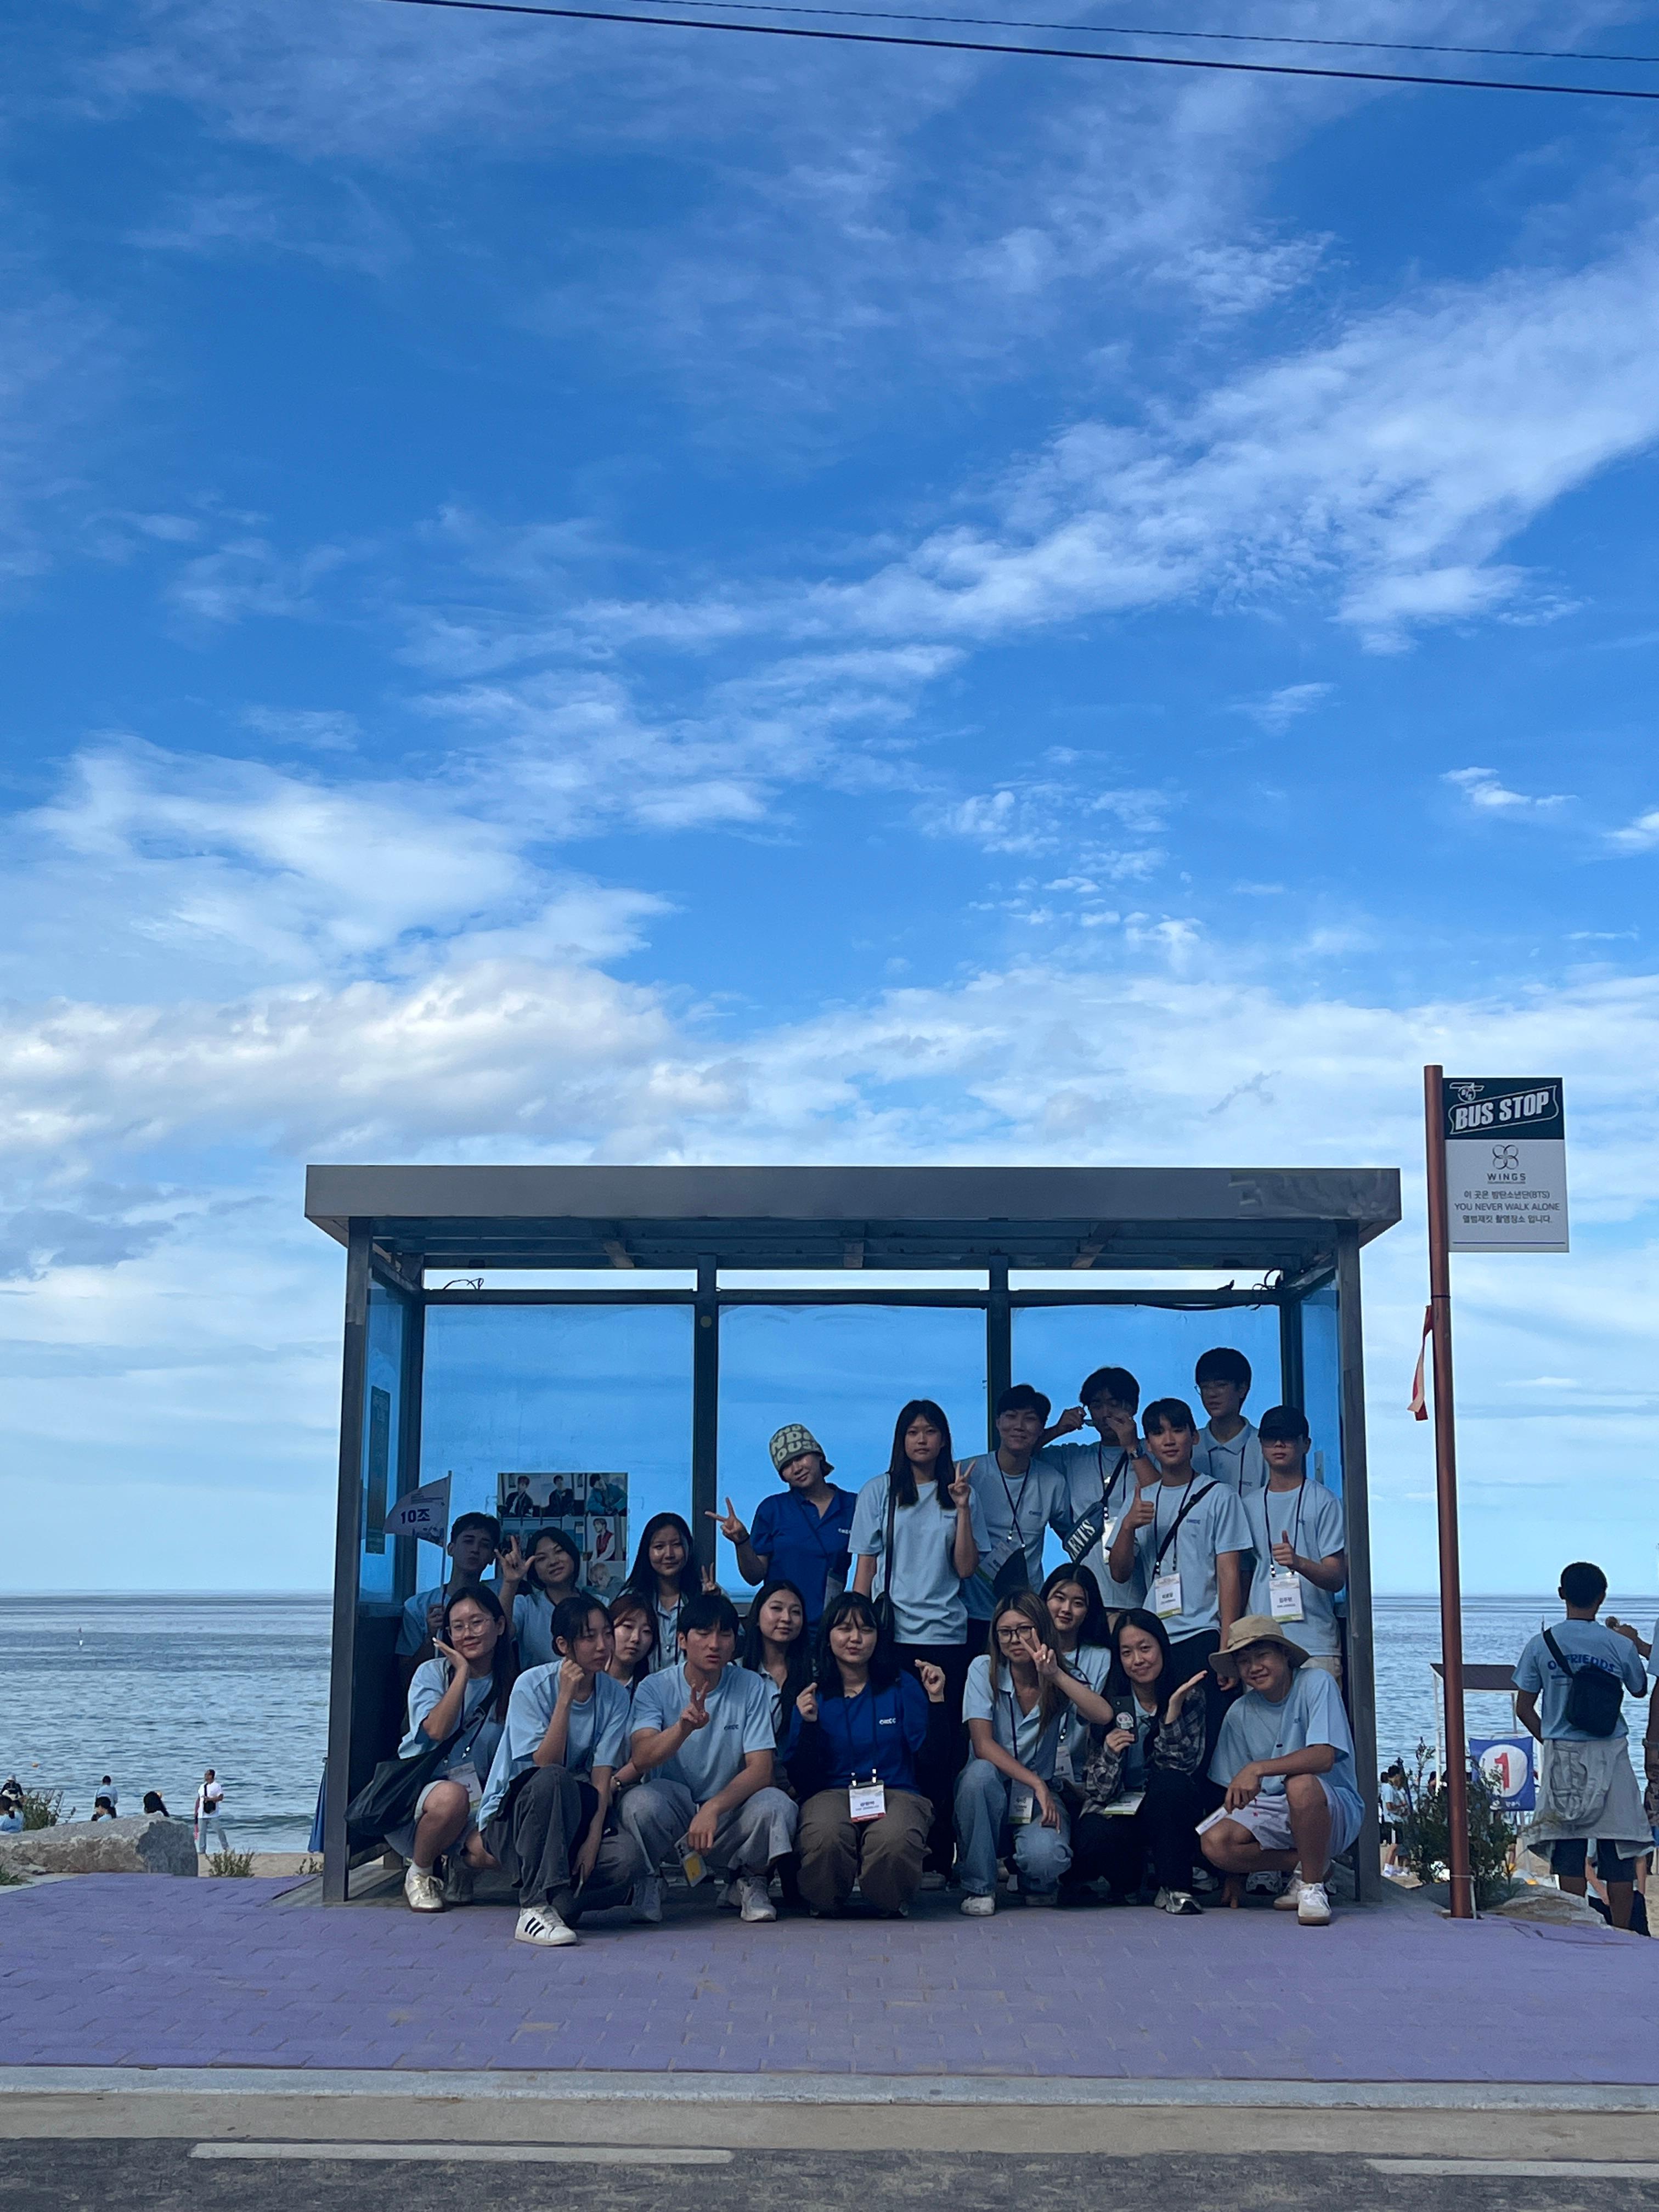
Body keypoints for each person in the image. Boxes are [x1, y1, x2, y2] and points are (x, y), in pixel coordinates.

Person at [850, 1400, 986, 1871]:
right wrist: (853, 1630)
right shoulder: (880, 1491)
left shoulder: (961, 1492)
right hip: (892, 1636)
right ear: (901, 1439)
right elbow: (865, 1566)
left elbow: (966, 1568)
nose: (922, 1439)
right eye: (913, 1432)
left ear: (944, 1439)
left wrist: (963, 1508)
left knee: (943, 1748)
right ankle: (888, 1848)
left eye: (930, 1431)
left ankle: (940, 1852)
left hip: (947, 1636)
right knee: (889, 1742)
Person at [621, 1589, 799, 1924]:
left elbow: (761, 1770)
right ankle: (649, 1879)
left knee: (778, 1805)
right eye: (703, 1634)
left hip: (729, 1809)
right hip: (675, 1810)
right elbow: (642, 1758)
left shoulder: (750, 1685)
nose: (714, 1644)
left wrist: (713, 1808)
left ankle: (750, 1881)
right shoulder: (654, 1687)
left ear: (735, 1642)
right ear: (682, 1640)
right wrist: (683, 1729)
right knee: (637, 1803)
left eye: (724, 1634)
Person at [476, 1594, 642, 1946]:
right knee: (554, 1778)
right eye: (589, 1637)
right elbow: (545, 1763)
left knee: (625, 1860)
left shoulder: (614, 1695)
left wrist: (593, 1840)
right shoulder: (531, 1686)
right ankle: (534, 1907)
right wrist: (565, 1698)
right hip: (513, 1817)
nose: (603, 1646)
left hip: (574, 1816)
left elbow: (602, 1776)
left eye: (607, 1633)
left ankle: (560, 1903)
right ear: (563, 1646)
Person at [789, 1592, 951, 1917]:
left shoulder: (902, 1685)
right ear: (828, 1635)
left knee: (894, 1838)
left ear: (878, 1637)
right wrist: (808, 1726)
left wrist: (937, 1700)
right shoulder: (813, 1693)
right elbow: (801, 1777)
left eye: (866, 1629)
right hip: (833, 1791)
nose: (855, 1638)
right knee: (826, 1833)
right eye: (844, 1629)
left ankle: (889, 1901)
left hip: (897, 1790)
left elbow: (933, 1758)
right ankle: (825, 1902)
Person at [955, 1589, 1114, 1915]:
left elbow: (1103, 1715)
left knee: (1048, 1861)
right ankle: (980, 1887)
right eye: (1005, 1632)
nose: (1015, 1639)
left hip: (1036, 1800)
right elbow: (983, 1745)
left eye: (1024, 1629)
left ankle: (1031, 1877)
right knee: (978, 1776)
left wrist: (1054, 1675)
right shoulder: (983, 1668)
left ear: (1042, 1629)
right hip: (993, 1791)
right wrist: (1037, 1782)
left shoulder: (1061, 1673)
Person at [1199, 1615, 1364, 1926]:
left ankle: (1312, 1888)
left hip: (1331, 1805)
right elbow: (1235, 1795)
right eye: (1244, 1661)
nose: (1254, 1667)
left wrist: (1259, 1768)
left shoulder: (1317, 1683)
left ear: (1285, 1654)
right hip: (1274, 1808)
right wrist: (1234, 1874)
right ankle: (1312, 1864)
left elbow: (1324, 1757)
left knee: (1300, 1784)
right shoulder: (1239, 1712)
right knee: (1214, 1842)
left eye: (1262, 1655)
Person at [1515, 1560, 1649, 1931]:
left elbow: (1524, 1708)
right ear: (1602, 1597)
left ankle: (1577, 1927)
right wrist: (1629, 1641)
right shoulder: (1617, 1644)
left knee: (1568, 1849)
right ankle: (1621, 1933)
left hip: (1563, 1754)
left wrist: (1551, 1739)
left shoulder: (1541, 1645)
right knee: (1619, 1851)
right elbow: (1639, 1688)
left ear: (1562, 1594)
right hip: (1611, 1753)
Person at [1065, 1609, 1210, 1913]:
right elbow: (1097, 1792)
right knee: (1092, 1836)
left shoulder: (1188, 1695)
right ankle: (1128, 1883)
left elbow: (1180, 1769)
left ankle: (1175, 1888)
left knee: (1172, 1788)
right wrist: (1110, 1753)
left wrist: (1171, 1717)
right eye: (1127, 1653)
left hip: (1168, 1807)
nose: (1138, 1660)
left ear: (1162, 1647)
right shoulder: (1107, 1700)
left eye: (1145, 1648)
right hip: (1121, 1806)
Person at [1108, 1398, 1248, 1703]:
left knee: (1207, 1725)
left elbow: (1229, 1575)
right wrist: (1128, 1526)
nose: (1169, 1440)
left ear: (1194, 1437)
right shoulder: (1140, 1498)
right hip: (1153, 1637)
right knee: (1161, 1725)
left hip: (1203, 1632)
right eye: (1158, 1433)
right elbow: (1119, 1573)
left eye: (1178, 1430)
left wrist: (1227, 1648)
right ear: (1148, 1444)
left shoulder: (1219, 1496)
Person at [392, 1587, 513, 1913]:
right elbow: (436, 1730)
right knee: (451, 1797)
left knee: (498, 1852)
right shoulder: (431, 1674)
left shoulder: (513, 1682)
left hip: (480, 1804)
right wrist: (461, 1674)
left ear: (499, 1625)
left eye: (477, 1622)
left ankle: (460, 1864)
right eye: (457, 1627)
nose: (467, 1633)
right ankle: (420, 1873)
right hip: (420, 1802)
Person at [708, 1426, 859, 1630]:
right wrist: (742, 1541)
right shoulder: (772, 1509)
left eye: (801, 1457)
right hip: (782, 1626)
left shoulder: (853, 1506)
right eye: (786, 1465)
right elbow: (754, 1576)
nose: (796, 1468)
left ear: (819, 1455)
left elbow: (871, 1563)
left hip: (832, 1626)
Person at [958, 1385, 1074, 1646]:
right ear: (998, 1422)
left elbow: (1073, 1539)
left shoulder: (1052, 1482)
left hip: (1026, 1614)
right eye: (1011, 1416)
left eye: (1030, 1419)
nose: (1019, 1426)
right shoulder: (968, 1474)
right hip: (970, 1612)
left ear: (1042, 1428)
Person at [1242, 1406, 1347, 1682]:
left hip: (1315, 1644)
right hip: (1260, 1642)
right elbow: (1240, 1574)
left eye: (1288, 1437)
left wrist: (1299, 1563)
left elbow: (1337, 1578)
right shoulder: (1247, 1505)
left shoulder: (1324, 1501)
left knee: (1320, 1712)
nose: (1279, 1444)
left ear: (1306, 1445)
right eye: (1271, 1437)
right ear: (1261, 1445)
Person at [1042, 1366, 1155, 1617]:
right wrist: (1058, 1430)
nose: (1105, 1413)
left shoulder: (1153, 1453)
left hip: (1143, 1601)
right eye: (1096, 1405)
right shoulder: (1073, 1457)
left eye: (1114, 1404)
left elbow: (1162, 1495)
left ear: (1133, 1407)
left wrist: (1132, 1446)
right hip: (1087, 1603)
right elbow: (1019, 1456)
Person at [395, 1512, 504, 1663]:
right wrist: (431, 1636)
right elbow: (406, 1673)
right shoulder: (418, 1606)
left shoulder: (500, 1597)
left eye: (485, 1545)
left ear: (492, 1557)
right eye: (468, 1541)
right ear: (451, 1549)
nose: (475, 1549)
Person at [1040, 1564, 1113, 1787]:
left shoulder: (1101, 1657)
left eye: (1078, 1603)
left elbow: (1100, 1718)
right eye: (1059, 1598)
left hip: (1082, 1776)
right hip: (1031, 1771)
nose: (1066, 1609)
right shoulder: (1029, 1651)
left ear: (1089, 1611)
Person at [623, 1513, 703, 1673]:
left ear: (689, 1547)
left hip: (694, 1685)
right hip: (640, 1685)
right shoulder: (630, 1598)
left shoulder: (706, 1593)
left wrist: (712, 1608)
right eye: (659, 1547)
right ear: (647, 1551)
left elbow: (734, 1646)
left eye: (677, 1545)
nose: (669, 1554)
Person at [738, 1578, 813, 1746]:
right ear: (757, 1617)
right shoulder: (736, 1671)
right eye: (777, 1609)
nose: (787, 1618)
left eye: (796, 1612)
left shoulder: (813, 1674)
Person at [1190, 1347, 1266, 1494]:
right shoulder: (1189, 1444)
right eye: (1205, 1387)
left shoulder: (1264, 1447)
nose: (1212, 1394)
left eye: (1221, 1385)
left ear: (1242, 1389)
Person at [510, 1528, 587, 1668]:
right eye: (542, 1558)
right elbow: (501, 1634)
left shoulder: (599, 1604)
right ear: (533, 1569)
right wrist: (510, 1583)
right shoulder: (526, 1606)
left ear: (572, 1554)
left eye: (559, 1551)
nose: (553, 1562)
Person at [606, 1589, 658, 1688]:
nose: (636, 1638)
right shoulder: (587, 1680)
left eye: (646, 1631)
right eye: (628, 1626)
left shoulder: (653, 1689)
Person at [194, 1770, 230, 1853]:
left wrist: (210, 1799)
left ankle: (226, 1848)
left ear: (211, 1776)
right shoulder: (202, 1786)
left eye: (207, 1774)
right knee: (202, 1833)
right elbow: (199, 1799)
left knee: (219, 1830)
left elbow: (221, 1797)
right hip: (201, 1814)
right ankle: (202, 1850)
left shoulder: (217, 1786)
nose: (205, 1776)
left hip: (213, 1814)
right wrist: (196, 1811)